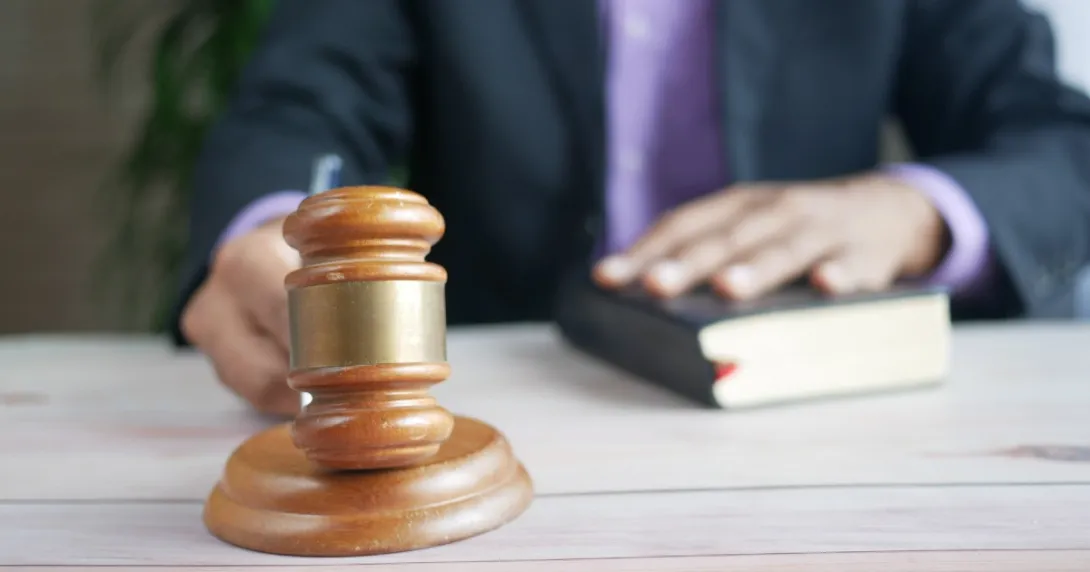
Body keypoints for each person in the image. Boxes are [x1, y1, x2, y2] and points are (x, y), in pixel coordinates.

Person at [175, 0, 1090, 415]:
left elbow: (1060, 142)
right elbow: (300, 107)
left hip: (824, 425)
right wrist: (271, 230)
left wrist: (916, 212)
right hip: (503, 395)